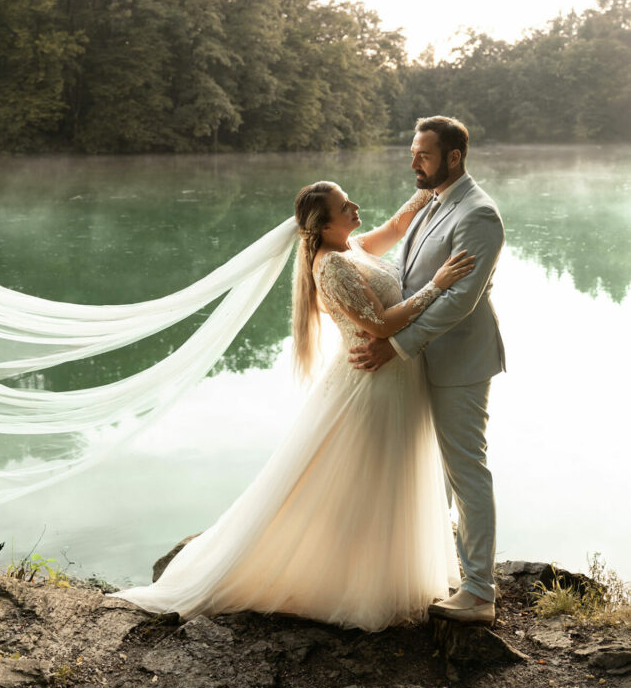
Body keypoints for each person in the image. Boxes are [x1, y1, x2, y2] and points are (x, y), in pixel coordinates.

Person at [109, 177, 476, 632]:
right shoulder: (331, 267)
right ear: (323, 226)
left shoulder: (353, 247)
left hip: (395, 378)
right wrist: (437, 285)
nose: (355, 206)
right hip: (372, 384)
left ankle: (381, 572)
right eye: (345, 206)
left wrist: (432, 187)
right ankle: (355, 583)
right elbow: (381, 326)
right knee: (369, 479)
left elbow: (399, 226)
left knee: (388, 478)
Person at [348, 116, 505, 626]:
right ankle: (446, 569)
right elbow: (408, 273)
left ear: (454, 156)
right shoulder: (433, 203)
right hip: (424, 359)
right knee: (436, 473)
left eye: (424, 154)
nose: (413, 161)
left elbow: (461, 299)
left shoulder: (479, 215)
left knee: (466, 473)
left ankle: (480, 592)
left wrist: (395, 345)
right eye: (414, 152)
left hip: (459, 360)